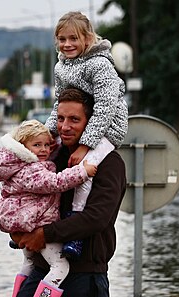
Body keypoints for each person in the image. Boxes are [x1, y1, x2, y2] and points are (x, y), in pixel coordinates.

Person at [2, 87, 126, 297]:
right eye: (60, 118)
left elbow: (97, 218)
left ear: (91, 123)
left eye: (74, 119)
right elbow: (19, 191)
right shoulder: (50, 155)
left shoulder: (109, 163)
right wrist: (14, 226)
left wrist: (45, 234)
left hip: (84, 280)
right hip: (41, 272)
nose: (65, 126)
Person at [0, 119, 97, 297]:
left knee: (28, 262)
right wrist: (83, 172)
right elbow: (54, 183)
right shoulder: (30, 169)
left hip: (27, 223)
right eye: (37, 146)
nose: (44, 150)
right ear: (23, 147)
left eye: (47, 145)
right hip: (38, 224)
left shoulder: (17, 164)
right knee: (60, 268)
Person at [43, 11, 128, 259]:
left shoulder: (100, 64)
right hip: (82, 124)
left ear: (87, 38)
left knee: (85, 170)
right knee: (47, 158)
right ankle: (31, 218)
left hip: (109, 126)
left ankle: (76, 230)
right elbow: (60, 104)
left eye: (73, 39)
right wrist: (48, 133)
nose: (67, 44)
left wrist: (85, 146)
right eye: (62, 39)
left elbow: (105, 106)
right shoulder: (60, 67)